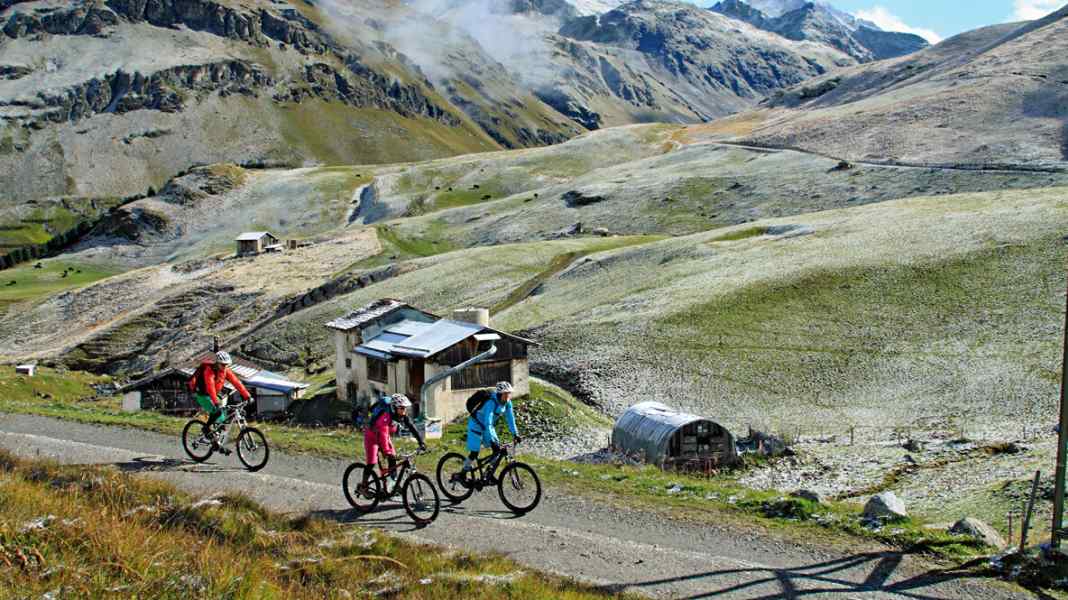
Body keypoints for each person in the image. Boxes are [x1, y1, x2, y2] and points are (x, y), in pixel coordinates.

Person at [188, 351, 251, 453]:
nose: (225, 366)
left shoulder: (226, 370)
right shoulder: (209, 370)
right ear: (217, 363)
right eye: (223, 364)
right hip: (203, 395)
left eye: (227, 365)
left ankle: (216, 443)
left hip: (214, 395)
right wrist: (216, 402)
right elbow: (210, 387)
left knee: (222, 420)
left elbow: (236, 382)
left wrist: (247, 396)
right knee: (216, 412)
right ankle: (206, 429)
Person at [364, 393, 426, 480]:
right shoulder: (385, 417)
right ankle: (363, 485)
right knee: (372, 462)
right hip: (372, 437)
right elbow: (383, 435)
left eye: (405, 408)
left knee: (393, 459)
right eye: (402, 408)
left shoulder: (402, 416)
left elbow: (412, 427)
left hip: (383, 437)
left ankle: (392, 483)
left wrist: (421, 442)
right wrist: (387, 452)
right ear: (394, 408)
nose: (404, 411)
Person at [463, 381, 521, 472]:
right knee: (474, 452)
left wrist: (515, 434)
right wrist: (492, 439)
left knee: (497, 451)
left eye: (509, 394)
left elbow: (510, 419)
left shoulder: (507, 403)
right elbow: (488, 422)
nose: (507, 396)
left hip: (488, 427)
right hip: (476, 425)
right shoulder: (491, 402)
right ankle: (463, 470)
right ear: (499, 394)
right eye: (505, 394)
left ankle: (488, 474)